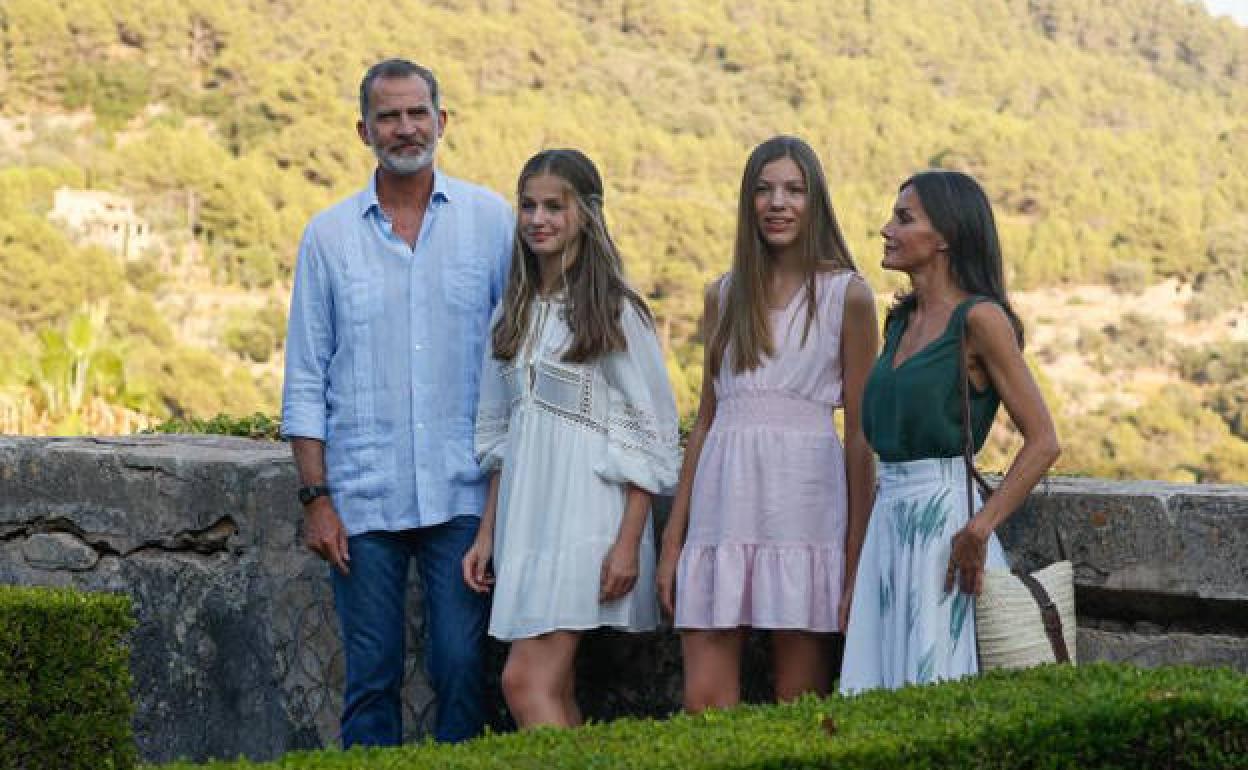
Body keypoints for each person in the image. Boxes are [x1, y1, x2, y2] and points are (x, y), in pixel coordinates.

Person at [281, 58, 513, 745]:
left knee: (462, 665)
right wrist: (315, 498)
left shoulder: (491, 222)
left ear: (442, 122)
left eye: (418, 113)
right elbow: (305, 374)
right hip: (362, 499)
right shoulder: (327, 236)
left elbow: (518, 355)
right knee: (371, 678)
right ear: (364, 130)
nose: (405, 128)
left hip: (463, 494)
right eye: (389, 116)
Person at [656, 136, 879, 711]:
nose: (778, 202)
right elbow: (704, 422)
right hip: (720, 508)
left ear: (816, 202)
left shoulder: (847, 296)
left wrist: (856, 557)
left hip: (805, 513)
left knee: (799, 706)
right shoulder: (723, 296)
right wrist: (673, 540)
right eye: (764, 189)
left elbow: (860, 436)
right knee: (704, 705)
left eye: (794, 189)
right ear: (747, 203)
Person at [462, 148, 680, 729]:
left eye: (554, 206)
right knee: (550, 685)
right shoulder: (513, 311)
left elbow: (649, 435)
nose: (538, 218)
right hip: (526, 520)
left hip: (588, 518)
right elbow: (503, 433)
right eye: (528, 205)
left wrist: (629, 543)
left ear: (585, 212)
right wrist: (488, 532)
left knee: (524, 681)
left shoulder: (615, 311)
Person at [838, 170, 1061, 693]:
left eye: (904, 218)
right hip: (888, 523)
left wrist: (980, 528)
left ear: (946, 237)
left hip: (943, 528)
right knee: (878, 695)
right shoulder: (900, 321)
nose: (886, 229)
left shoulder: (979, 321)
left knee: (931, 684)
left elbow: (1044, 440)